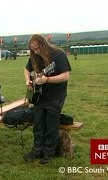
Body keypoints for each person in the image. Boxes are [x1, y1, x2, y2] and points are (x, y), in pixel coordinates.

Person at [23, 34, 71, 164]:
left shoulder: (58, 54)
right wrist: (28, 80)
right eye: (33, 50)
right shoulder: (35, 56)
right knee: (38, 125)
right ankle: (37, 151)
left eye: (37, 49)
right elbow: (27, 70)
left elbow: (66, 76)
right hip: (39, 97)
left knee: (51, 126)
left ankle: (48, 153)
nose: (35, 52)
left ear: (43, 44)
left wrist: (47, 79)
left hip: (56, 96)